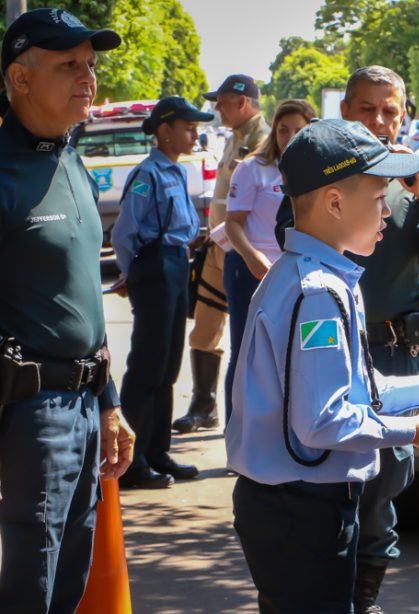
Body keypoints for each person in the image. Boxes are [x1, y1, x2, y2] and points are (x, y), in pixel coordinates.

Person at [227, 118, 419, 613]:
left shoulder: (316, 276)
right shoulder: (319, 293)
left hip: (296, 506)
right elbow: (324, 420)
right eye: (377, 196)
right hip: (300, 511)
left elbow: (356, 390)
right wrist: (414, 431)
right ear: (334, 202)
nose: (388, 210)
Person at [275, 66, 419, 613]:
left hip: (394, 353)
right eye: (367, 109)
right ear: (346, 111)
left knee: (388, 479)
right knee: (336, 470)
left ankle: (364, 601)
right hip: (333, 345)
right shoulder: (326, 174)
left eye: (390, 110)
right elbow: (290, 239)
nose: (380, 120)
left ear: (405, 113)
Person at [0, 9, 135, 611]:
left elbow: (83, 299)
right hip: (26, 412)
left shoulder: (70, 156)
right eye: (68, 66)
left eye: (90, 65)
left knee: (70, 583)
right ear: (20, 79)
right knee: (29, 586)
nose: (88, 79)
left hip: (82, 406)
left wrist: (108, 403)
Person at [110, 97, 215, 489]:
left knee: (168, 366)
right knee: (147, 368)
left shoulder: (175, 171)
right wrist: (131, 273)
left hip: (175, 264)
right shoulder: (147, 174)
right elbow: (124, 233)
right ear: (164, 130)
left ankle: (156, 451)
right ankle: (131, 462)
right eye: (187, 126)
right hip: (155, 267)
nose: (193, 133)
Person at [172, 74, 270, 433]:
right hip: (219, 246)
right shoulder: (235, 139)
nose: (217, 109)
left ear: (242, 103)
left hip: (248, 251)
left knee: (251, 341)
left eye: (223, 102)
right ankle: (204, 406)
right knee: (205, 329)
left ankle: (249, 424)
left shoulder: (265, 141)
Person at [223, 99, 315, 422]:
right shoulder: (253, 168)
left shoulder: (316, 170)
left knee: (289, 355)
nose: (289, 137)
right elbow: (232, 223)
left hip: (294, 273)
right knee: (246, 353)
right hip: (251, 270)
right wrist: (252, 256)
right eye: (283, 130)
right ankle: (237, 433)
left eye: (299, 131)